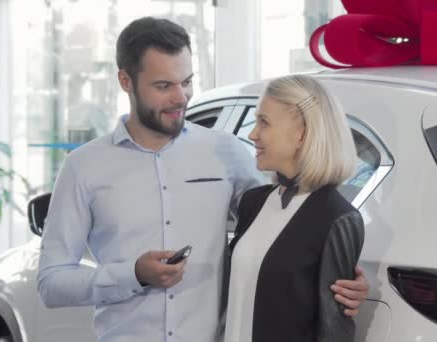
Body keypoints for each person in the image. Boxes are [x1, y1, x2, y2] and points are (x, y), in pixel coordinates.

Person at [37, 17, 368, 342]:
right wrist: (133, 275)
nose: (181, 97)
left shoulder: (227, 152)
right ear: (126, 81)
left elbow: (283, 229)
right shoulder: (83, 167)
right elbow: (51, 282)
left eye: (187, 82)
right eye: (164, 86)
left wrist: (340, 279)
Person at [225, 74, 364, 342]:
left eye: (263, 122)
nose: (252, 134)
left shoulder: (336, 217)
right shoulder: (253, 203)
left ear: (302, 133)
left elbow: (334, 331)